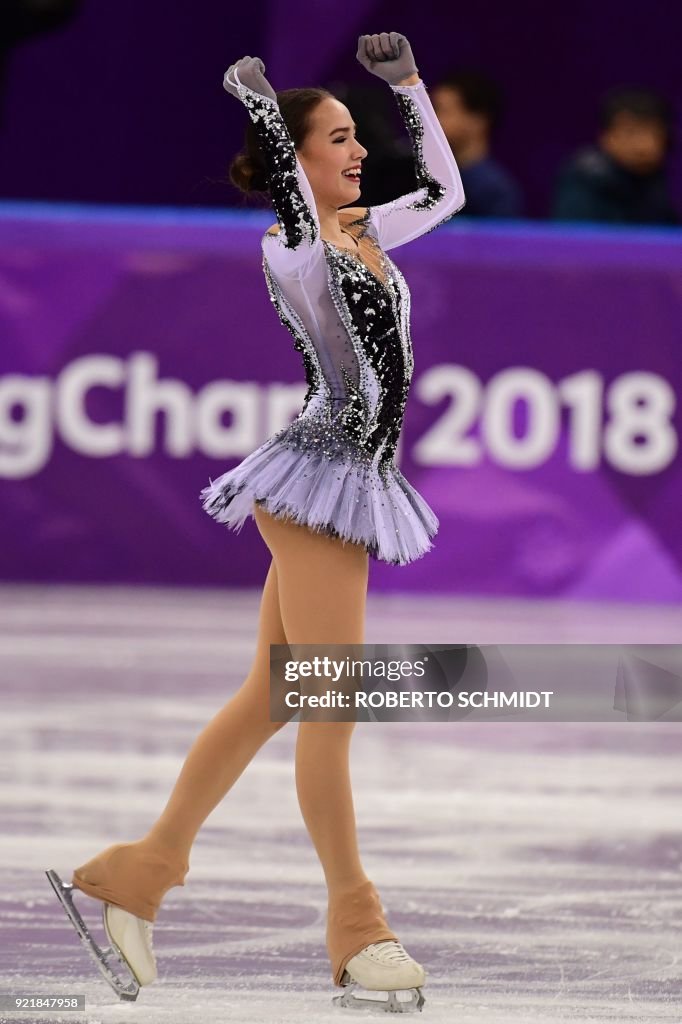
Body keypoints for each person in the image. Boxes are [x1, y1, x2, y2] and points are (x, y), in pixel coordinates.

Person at [47, 32, 465, 1014]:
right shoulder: (294, 248)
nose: (356, 151)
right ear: (296, 160)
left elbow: (445, 192)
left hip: (352, 479)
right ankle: (357, 927)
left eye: (358, 137)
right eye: (335, 139)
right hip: (321, 482)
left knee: (270, 698)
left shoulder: (369, 230)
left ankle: (139, 872)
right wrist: (267, 115)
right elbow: (294, 208)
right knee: (332, 706)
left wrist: (406, 89)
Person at [552, 87, 680, 226]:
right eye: (631, 134)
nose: (643, 146)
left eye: (652, 134)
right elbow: (573, 238)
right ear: (606, 137)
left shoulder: (669, 181)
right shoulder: (584, 177)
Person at [430, 69, 524, 218]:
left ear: (478, 120)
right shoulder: (427, 180)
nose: (431, 120)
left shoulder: (493, 190)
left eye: (442, 111)